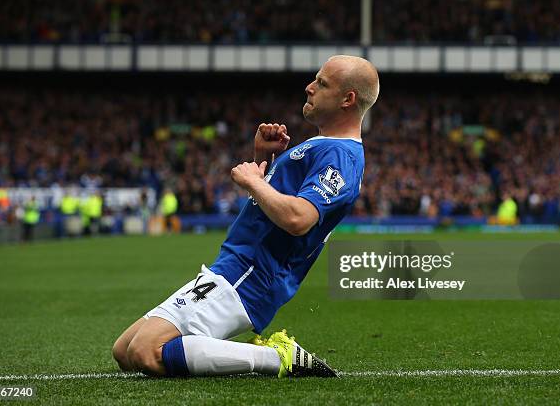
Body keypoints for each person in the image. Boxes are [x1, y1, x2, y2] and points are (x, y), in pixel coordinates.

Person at [112, 55, 379, 378]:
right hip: (233, 266)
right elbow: (277, 206)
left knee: (146, 352)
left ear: (348, 99)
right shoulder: (322, 145)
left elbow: (299, 219)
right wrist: (263, 161)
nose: (309, 88)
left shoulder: (341, 156)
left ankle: (275, 357)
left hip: (253, 275)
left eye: (322, 83)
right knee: (125, 350)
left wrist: (252, 181)